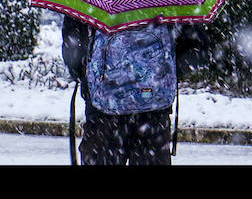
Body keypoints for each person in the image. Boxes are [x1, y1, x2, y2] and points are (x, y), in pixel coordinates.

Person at [61, 15, 210, 165]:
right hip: (153, 114)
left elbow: (73, 49)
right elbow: (197, 48)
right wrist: (165, 73)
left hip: (103, 114)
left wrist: (86, 75)